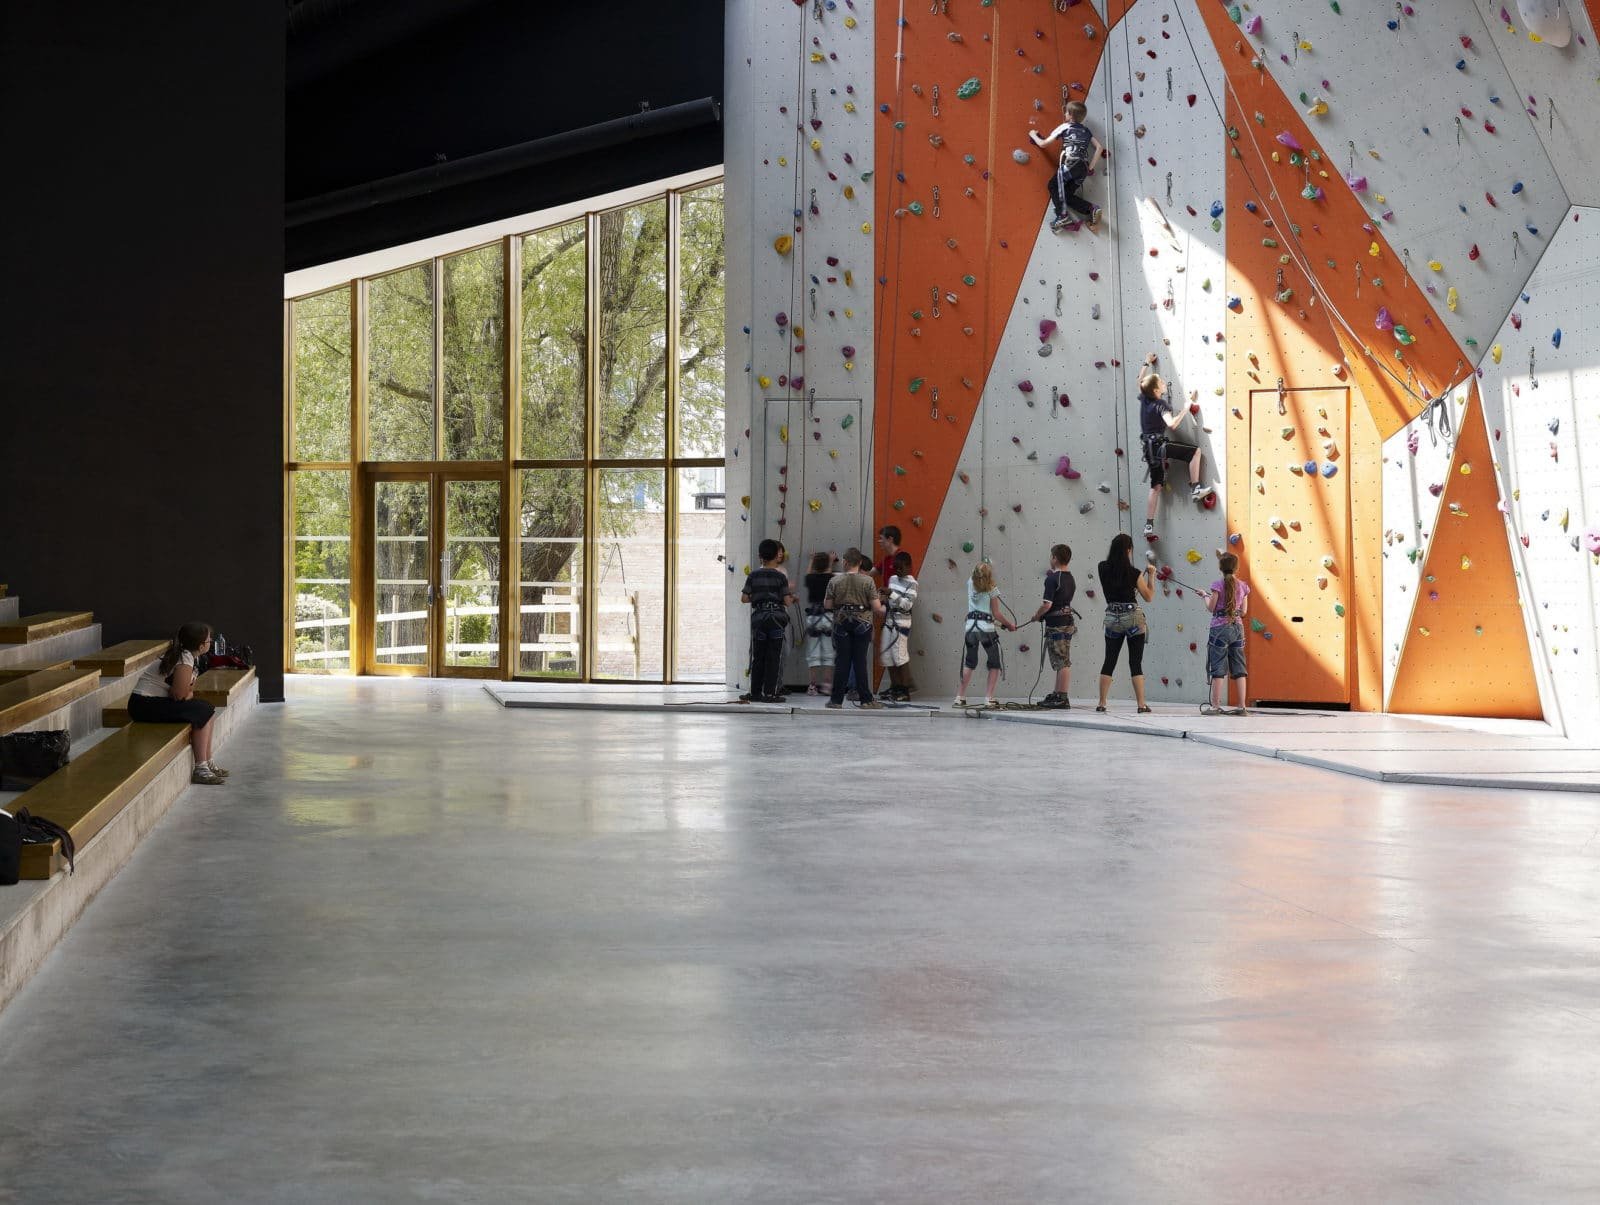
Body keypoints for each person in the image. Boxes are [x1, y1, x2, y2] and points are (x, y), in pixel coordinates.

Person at [128, 621, 228, 785]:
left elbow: (184, 691)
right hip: (144, 705)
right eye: (209, 640)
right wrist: (189, 694)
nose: (210, 642)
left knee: (206, 710)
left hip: (147, 703)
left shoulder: (188, 656)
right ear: (201, 645)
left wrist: (188, 694)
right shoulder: (184, 657)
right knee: (203, 710)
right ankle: (200, 768)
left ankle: (207, 762)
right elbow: (180, 695)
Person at [1138, 352, 1211, 540]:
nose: (1164, 383)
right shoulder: (1160, 404)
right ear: (1156, 390)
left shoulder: (1145, 398)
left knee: (1156, 487)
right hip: (1160, 446)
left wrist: (1147, 362)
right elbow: (1172, 424)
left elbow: (1140, 381)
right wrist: (1187, 406)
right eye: (1161, 382)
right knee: (1195, 452)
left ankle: (1149, 524)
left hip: (1149, 449)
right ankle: (1195, 488)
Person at [1096, 533, 1156, 714]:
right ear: (1128, 550)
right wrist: (1151, 576)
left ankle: (1102, 703)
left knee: (1109, 660)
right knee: (1135, 662)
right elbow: (1149, 596)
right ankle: (1141, 705)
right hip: (1133, 618)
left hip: (1112, 617)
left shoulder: (1102, 567)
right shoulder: (1134, 573)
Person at [1029, 99, 1104, 233]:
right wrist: (1091, 168)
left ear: (1070, 115)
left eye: (1066, 113)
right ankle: (1091, 209)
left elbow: (1043, 144)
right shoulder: (1086, 131)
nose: (1064, 115)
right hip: (1083, 168)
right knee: (1067, 195)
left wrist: (1033, 135)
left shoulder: (1065, 126)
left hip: (1070, 163)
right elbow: (1099, 148)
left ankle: (1062, 216)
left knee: (1053, 185)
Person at [825, 548, 886, 710]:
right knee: (860, 661)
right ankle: (866, 700)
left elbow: (828, 605)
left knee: (842, 661)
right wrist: (882, 603)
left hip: (841, 623)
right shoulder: (868, 581)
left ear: (844, 562)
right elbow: (876, 608)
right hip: (862, 623)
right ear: (860, 563)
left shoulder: (834, 581)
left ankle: (836, 700)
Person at [955, 561, 1016, 709]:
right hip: (986, 630)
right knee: (994, 663)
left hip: (970, 628)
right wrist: (1009, 625)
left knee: (970, 662)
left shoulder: (970, 583)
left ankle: (959, 697)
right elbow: (996, 613)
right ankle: (989, 698)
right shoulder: (992, 588)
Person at [740, 539, 795, 702]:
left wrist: (759, 597)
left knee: (758, 657)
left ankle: (755, 693)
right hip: (776, 619)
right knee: (773, 657)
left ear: (760, 556)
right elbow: (787, 602)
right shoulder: (780, 576)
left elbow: (744, 598)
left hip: (759, 619)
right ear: (777, 556)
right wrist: (792, 597)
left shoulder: (753, 575)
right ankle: (770, 693)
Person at [1025, 544, 1078, 709]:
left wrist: (1037, 616)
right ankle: (1057, 693)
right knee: (1061, 659)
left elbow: (1047, 605)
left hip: (1057, 625)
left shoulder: (1052, 579)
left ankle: (1062, 697)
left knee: (1062, 661)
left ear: (1054, 558)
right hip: (1066, 622)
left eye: (1051, 556)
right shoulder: (1070, 578)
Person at [1202, 552, 1250, 715]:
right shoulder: (1243, 586)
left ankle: (1215, 706)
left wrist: (1205, 596)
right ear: (1236, 568)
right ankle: (1242, 706)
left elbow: (1211, 608)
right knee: (1239, 667)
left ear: (1220, 568)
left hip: (1219, 629)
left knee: (1218, 667)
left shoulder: (1217, 585)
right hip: (1237, 628)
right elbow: (1243, 612)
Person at [880, 550, 918, 702]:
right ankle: (895, 687)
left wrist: (891, 594)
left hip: (901, 623)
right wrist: (883, 599)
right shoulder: (893, 579)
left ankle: (905, 689)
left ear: (909, 567)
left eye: (901, 568)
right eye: (895, 568)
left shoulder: (913, 583)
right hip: (889, 621)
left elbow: (907, 604)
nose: (898, 571)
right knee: (887, 656)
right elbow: (891, 601)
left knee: (899, 656)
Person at [802, 551, 836, 696]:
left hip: (813, 617)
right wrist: (831, 561)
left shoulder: (810, 578)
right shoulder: (831, 579)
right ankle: (827, 685)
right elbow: (828, 575)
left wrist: (811, 559)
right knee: (829, 653)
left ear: (815, 566)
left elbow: (808, 573)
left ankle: (812, 686)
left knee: (813, 654)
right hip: (828, 616)